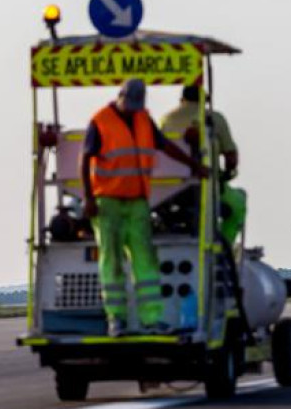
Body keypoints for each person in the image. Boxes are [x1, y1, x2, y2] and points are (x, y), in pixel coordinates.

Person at [81, 79, 209, 336]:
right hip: (108, 202)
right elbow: (85, 159)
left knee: (145, 260)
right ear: (120, 96)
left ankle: (151, 319)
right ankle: (116, 319)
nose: (132, 109)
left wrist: (192, 165)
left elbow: (164, 145)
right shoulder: (100, 121)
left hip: (138, 200)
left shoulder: (143, 119)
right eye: (129, 104)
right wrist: (89, 198)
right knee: (112, 260)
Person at [161, 85, 246, 245]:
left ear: (182, 100)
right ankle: (224, 246)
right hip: (206, 187)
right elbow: (231, 158)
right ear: (205, 100)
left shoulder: (166, 119)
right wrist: (228, 172)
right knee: (238, 204)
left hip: (168, 192)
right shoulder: (213, 118)